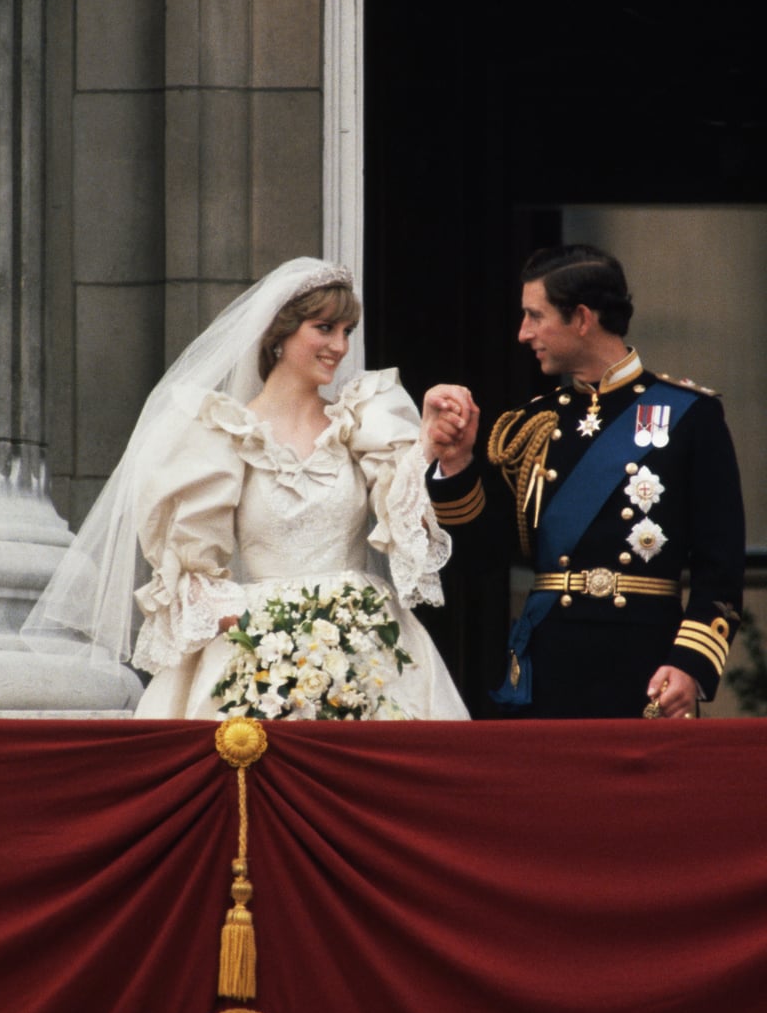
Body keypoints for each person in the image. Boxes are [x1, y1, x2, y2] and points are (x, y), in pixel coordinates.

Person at [23, 256, 469, 721]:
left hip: (368, 645)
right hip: (255, 648)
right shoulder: (218, 434)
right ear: (280, 335)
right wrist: (266, 636)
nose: (339, 346)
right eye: (324, 328)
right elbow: (192, 572)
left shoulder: (362, 420)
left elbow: (407, 525)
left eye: (346, 331)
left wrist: (428, 446)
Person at [423, 243, 745, 719]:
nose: (522, 333)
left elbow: (720, 566)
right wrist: (457, 462)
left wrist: (690, 664)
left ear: (581, 317)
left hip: (648, 666)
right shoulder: (532, 424)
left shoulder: (691, 416)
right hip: (550, 666)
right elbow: (480, 558)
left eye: (535, 316)